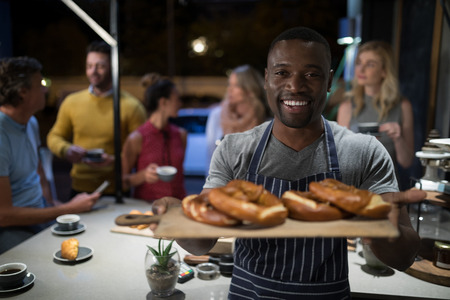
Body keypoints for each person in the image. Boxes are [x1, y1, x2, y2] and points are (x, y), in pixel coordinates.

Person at [152, 27, 425, 299]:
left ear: (329, 81)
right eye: (282, 73)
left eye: (311, 74)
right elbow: (202, 243)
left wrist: (380, 229)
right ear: (267, 79)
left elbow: (403, 258)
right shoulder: (235, 149)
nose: (295, 86)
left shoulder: (365, 152)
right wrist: (177, 218)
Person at [0, 57, 100, 254]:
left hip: (40, 212)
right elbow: (3, 214)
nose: (45, 89)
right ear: (23, 92)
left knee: (91, 242)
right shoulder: (2, 132)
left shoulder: (31, 122)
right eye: (41, 84)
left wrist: (52, 203)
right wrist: (66, 209)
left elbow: (38, 170)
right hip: (11, 227)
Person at [47, 41, 147, 197]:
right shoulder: (72, 102)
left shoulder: (131, 106)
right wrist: (66, 150)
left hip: (117, 190)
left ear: (114, 68)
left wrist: (114, 160)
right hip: (79, 188)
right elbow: (54, 136)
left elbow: (144, 150)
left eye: (100, 66)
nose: (93, 71)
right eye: (89, 66)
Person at [337, 40, 414, 170]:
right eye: (359, 63)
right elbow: (339, 160)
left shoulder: (403, 106)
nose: (361, 69)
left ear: (384, 71)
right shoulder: (347, 107)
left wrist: (398, 139)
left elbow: (406, 162)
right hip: (355, 186)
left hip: (388, 185)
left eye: (370, 64)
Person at [121, 74, 187, 202]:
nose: (180, 103)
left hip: (177, 206)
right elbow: (123, 182)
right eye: (177, 99)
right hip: (147, 207)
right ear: (163, 102)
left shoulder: (181, 134)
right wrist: (143, 175)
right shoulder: (137, 138)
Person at [205, 65, 270, 174]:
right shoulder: (217, 115)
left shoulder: (266, 120)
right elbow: (210, 156)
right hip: (221, 183)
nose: (229, 89)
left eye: (236, 85)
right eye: (229, 84)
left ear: (249, 89)